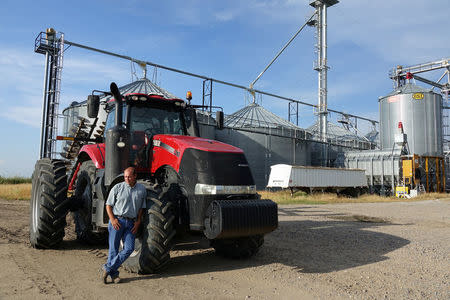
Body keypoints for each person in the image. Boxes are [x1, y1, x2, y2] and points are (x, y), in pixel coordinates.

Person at [101, 166, 147, 284]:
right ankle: (114, 275)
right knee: (113, 249)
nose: (126, 179)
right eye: (125, 176)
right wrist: (112, 219)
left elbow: (142, 207)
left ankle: (108, 268)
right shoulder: (118, 187)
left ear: (135, 176)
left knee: (129, 248)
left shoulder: (141, 189)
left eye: (129, 176)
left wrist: (138, 221)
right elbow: (108, 205)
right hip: (118, 221)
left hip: (131, 223)